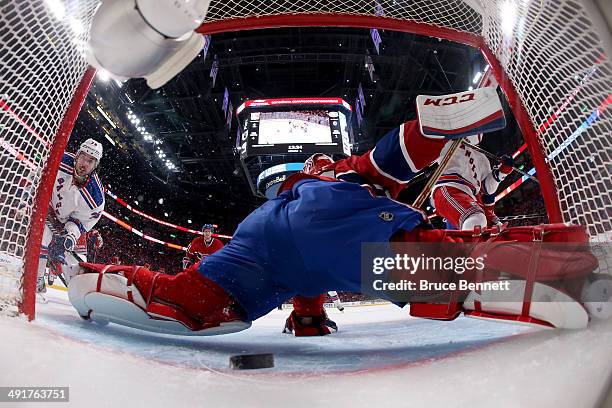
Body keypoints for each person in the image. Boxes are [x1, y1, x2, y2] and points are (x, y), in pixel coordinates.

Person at [70, 117, 460, 334]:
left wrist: (309, 317)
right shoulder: (342, 174)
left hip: (260, 238)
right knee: (446, 270)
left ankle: (97, 278)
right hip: (327, 221)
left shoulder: (285, 194)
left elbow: (307, 271)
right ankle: (500, 270)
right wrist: (437, 123)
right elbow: (392, 155)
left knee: (189, 301)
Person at [37, 139, 105, 294]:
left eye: (91, 161)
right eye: (83, 157)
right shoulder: (58, 159)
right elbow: (39, 177)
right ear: (76, 156)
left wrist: (69, 237)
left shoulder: (96, 197)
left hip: (71, 223)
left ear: (96, 166)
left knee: (76, 269)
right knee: (41, 236)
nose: (84, 164)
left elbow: (81, 222)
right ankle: (38, 279)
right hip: (50, 209)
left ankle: (81, 295)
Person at [431, 134, 514, 230]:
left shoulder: (482, 158)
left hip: (468, 196)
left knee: (479, 223)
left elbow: (487, 188)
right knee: (476, 220)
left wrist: (501, 173)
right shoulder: (448, 137)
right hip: (449, 188)